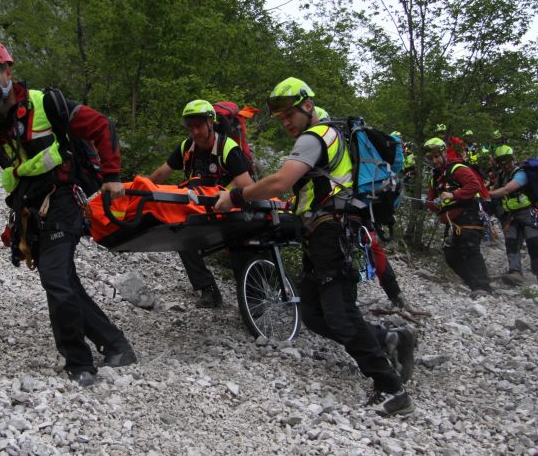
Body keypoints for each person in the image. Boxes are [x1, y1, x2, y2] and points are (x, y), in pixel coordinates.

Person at [215, 77, 415, 417]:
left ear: (307, 106)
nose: (286, 122)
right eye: (280, 118)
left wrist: (234, 196)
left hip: (332, 232)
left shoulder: (316, 136)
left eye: (289, 114)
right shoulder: (327, 136)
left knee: (339, 313)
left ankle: (390, 388)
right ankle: (390, 339)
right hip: (320, 233)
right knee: (314, 313)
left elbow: (280, 181)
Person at [0, 38, 136, 387]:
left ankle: (79, 364)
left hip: (64, 199)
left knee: (55, 279)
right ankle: (117, 346)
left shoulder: (45, 103)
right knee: (64, 280)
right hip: (31, 210)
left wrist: (112, 176)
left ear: (6, 71)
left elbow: (103, 126)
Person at [148, 100, 255, 308]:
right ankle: (209, 291)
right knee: (182, 238)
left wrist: (224, 194)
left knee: (238, 247)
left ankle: (253, 299)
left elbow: (247, 184)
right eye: (190, 127)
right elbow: (162, 173)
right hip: (202, 211)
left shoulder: (227, 148)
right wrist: (139, 190)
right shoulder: (187, 147)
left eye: (198, 126)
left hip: (228, 210)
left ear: (211, 123)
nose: (194, 132)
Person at [423, 137, 493, 297]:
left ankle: (483, 287)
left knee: (470, 249)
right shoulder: (436, 177)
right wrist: (433, 203)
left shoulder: (457, 169)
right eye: (431, 158)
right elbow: (431, 204)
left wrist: (454, 194)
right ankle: (474, 285)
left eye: (436, 156)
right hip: (453, 220)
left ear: (443, 153)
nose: (434, 161)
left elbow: (474, 185)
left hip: (470, 215)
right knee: (451, 255)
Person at [489, 145, 538, 285]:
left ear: (513, 159)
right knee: (511, 243)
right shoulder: (501, 175)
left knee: (534, 242)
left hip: (528, 213)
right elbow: (496, 189)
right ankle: (515, 272)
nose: (505, 164)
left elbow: (507, 190)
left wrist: (487, 194)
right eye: (501, 161)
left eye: (507, 160)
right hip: (511, 216)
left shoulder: (521, 173)